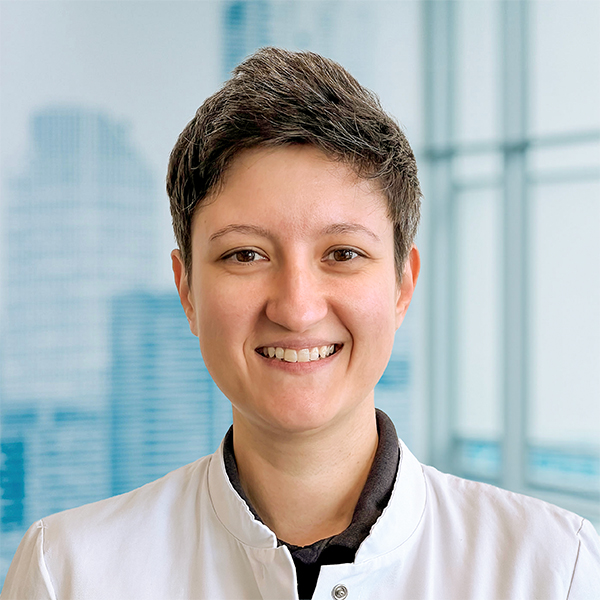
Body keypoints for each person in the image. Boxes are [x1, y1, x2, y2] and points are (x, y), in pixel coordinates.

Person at [2, 47, 599, 600]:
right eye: (245, 255)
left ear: (402, 286)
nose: (296, 308)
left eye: (342, 253)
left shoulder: (553, 568)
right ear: (187, 290)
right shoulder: (69, 571)